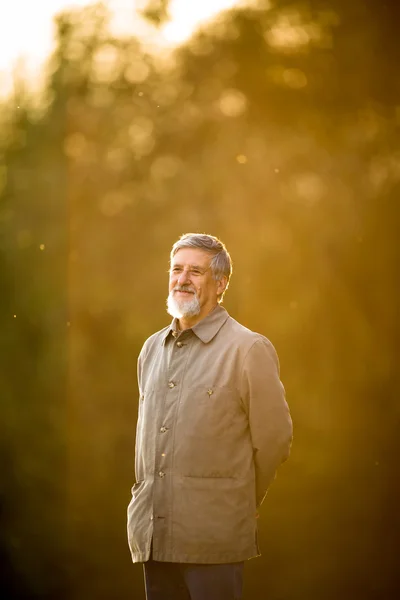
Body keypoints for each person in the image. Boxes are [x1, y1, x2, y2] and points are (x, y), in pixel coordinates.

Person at [127, 233, 293, 600]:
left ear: (220, 284)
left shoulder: (248, 349)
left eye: (196, 272)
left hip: (214, 538)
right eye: (177, 269)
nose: (182, 279)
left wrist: (237, 498)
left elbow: (275, 440)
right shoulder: (151, 349)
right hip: (153, 536)